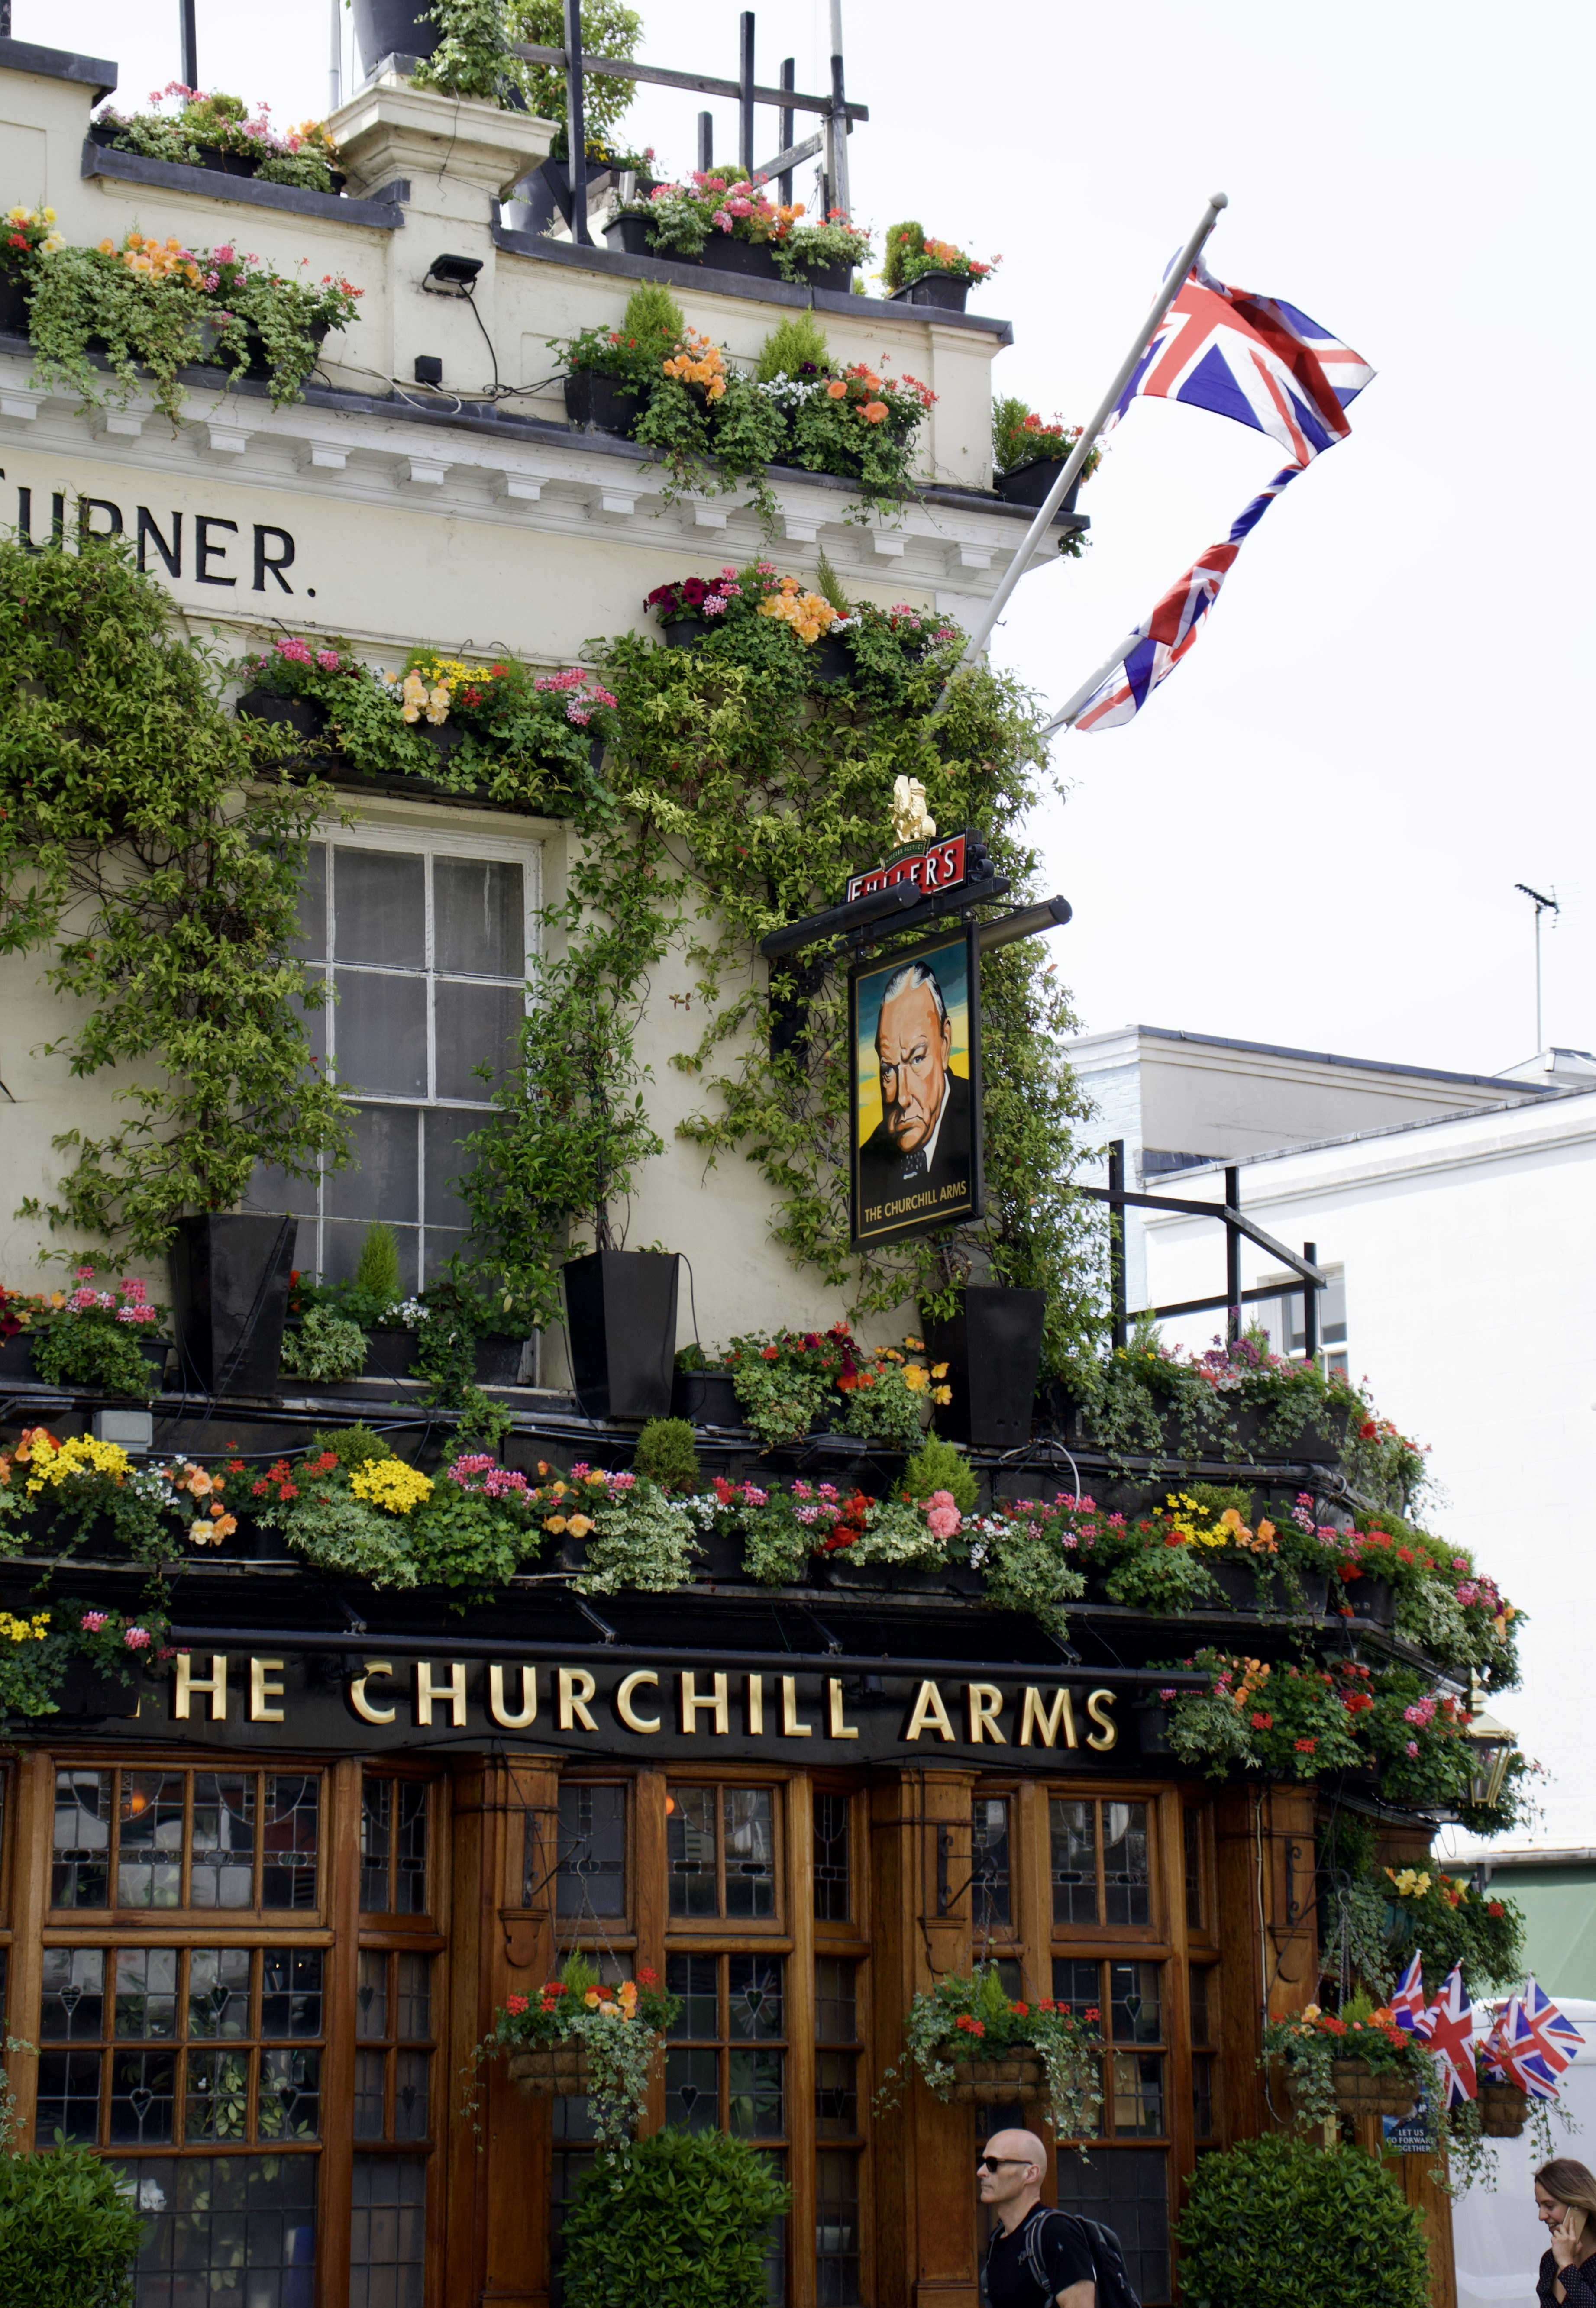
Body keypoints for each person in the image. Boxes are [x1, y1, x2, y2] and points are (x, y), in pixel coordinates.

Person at [855, 957, 973, 1229]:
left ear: (945, 1044)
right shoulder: (867, 1162)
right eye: (889, 1070)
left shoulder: (976, 1118)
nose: (903, 1097)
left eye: (917, 1059)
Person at [978, 2129, 1095, 2308]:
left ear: (1031, 2174)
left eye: (993, 2164)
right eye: (983, 2162)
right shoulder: (997, 2239)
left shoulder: (1057, 2231)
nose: (981, 2172)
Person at [1535, 2159, 1596, 2304]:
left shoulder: (1562, 2259)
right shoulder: (1550, 2260)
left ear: (1578, 2206)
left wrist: (1567, 2265)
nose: (1541, 2216)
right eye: (1539, 2206)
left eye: (1549, 2206)